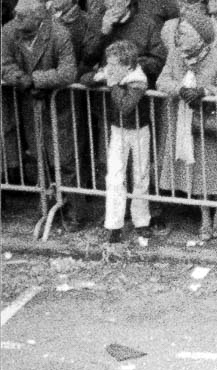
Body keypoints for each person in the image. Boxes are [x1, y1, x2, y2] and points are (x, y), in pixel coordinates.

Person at [157, 10, 217, 239]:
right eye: (178, 32)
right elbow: (162, 81)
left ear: (200, 35)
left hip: (210, 123)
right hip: (185, 124)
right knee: (197, 174)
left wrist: (204, 92)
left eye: (183, 32)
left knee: (216, 172)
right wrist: (180, 89)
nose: (178, 36)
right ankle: (204, 217)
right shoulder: (174, 55)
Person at [1, 0, 78, 215]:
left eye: (21, 17)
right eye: (15, 15)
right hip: (29, 104)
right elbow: (4, 63)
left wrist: (36, 79)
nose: (15, 20)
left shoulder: (59, 33)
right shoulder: (8, 31)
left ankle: (72, 212)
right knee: (37, 156)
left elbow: (68, 71)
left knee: (65, 159)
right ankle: (45, 207)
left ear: (38, 18)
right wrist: (19, 78)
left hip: (58, 105)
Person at [94, 39, 151, 240]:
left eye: (113, 64)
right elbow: (86, 79)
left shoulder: (138, 79)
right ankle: (113, 223)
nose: (109, 67)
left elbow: (125, 105)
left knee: (141, 174)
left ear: (127, 65)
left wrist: (111, 84)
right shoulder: (116, 74)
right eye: (108, 63)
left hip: (138, 130)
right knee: (115, 176)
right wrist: (98, 76)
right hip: (118, 130)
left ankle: (141, 219)